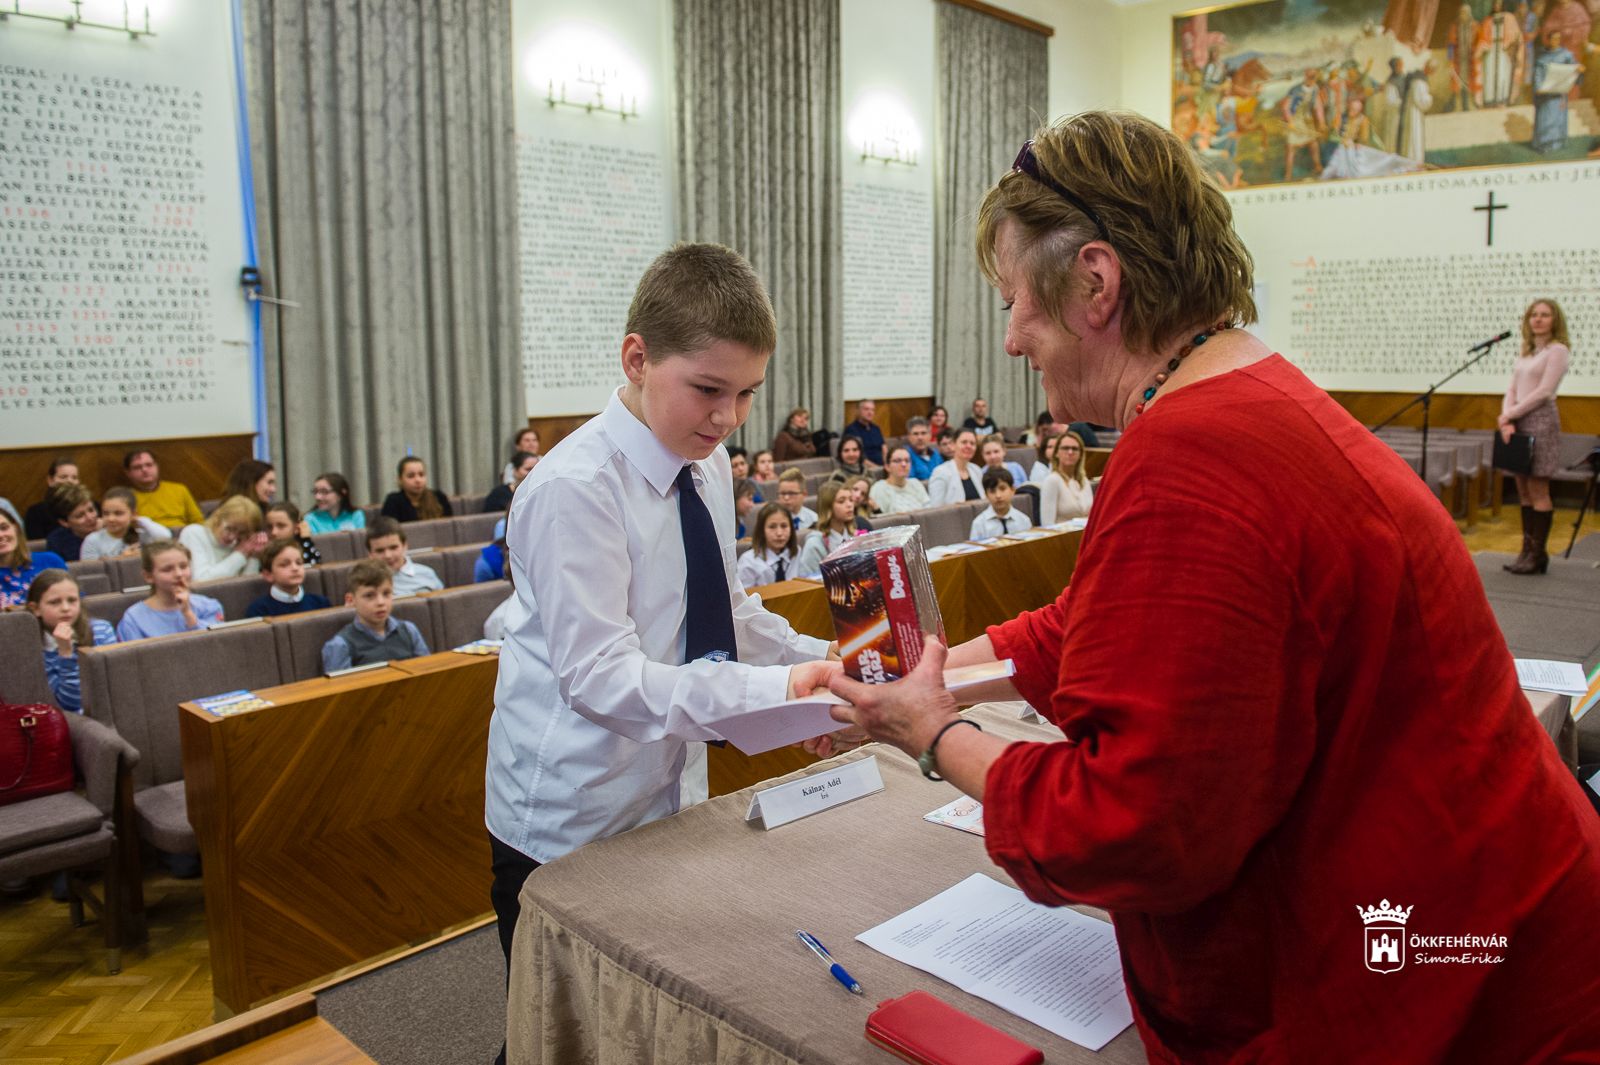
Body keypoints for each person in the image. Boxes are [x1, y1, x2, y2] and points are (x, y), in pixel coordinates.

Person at [814, 111, 1600, 1063]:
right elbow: (1092, 628)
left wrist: (934, 733)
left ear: (1095, 283)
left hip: (1453, 991)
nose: (1014, 337)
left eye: (1014, 297)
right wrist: (921, 673)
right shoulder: (1235, 390)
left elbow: (1130, 827)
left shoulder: (1190, 453)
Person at [484, 243, 836, 1058]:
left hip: (669, 785)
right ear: (637, 359)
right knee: (551, 1031)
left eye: (748, 392)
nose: (727, 418)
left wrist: (825, 667)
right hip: (569, 809)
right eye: (709, 389)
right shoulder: (575, 489)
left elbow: (725, 613)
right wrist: (779, 687)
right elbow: (601, 680)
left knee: (638, 1015)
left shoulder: (705, 466)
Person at [1499, 298, 1572, 574]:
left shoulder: (1558, 351)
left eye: (1545, 315)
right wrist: (1507, 417)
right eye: (1534, 314)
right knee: (1523, 490)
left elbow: (1544, 391)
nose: (1538, 319)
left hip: (1541, 421)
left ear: (1555, 320)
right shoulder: (1527, 353)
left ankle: (1538, 554)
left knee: (1538, 489)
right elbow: (1512, 388)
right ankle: (1526, 550)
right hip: (1517, 421)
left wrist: (1511, 414)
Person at [26, 570, 117, 714]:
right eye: (54, 602)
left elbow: (116, 684)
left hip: (110, 710)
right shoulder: (32, 648)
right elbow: (71, 704)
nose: (66, 608)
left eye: (72, 600)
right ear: (36, 609)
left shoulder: (102, 630)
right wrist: (66, 653)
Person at [321, 559, 430, 672]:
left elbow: (426, 671)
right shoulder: (340, 645)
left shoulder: (409, 630)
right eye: (369, 595)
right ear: (351, 600)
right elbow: (342, 688)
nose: (380, 602)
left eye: (386, 593)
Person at [116, 541, 224, 641]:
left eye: (183, 566)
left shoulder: (210, 607)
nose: (179, 574)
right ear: (148, 576)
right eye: (167, 569)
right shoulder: (133, 618)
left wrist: (187, 613)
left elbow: (215, 646)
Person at [179, 496, 267, 581]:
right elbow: (201, 581)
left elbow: (246, 588)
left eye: (241, 533)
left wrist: (254, 557)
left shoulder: (243, 544)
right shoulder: (194, 533)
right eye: (229, 529)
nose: (232, 537)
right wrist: (240, 554)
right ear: (218, 518)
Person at [245, 539, 332, 618]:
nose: (295, 568)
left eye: (299, 563)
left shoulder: (320, 603)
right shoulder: (259, 611)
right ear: (268, 575)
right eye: (284, 564)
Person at [81, 488, 172, 561]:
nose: (111, 519)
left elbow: (166, 536)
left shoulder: (142, 535)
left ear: (133, 514)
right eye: (106, 513)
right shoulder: (93, 540)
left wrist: (140, 520)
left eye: (118, 513)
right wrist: (122, 559)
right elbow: (89, 570)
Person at [125, 449, 204, 531]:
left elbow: (198, 520)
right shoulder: (126, 498)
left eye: (149, 465)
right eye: (137, 467)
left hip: (181, 534)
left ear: (157, 467)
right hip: (149, 537)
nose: (144, 470)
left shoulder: (179, 489)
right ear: (128, 473)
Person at [0, 510, 67, 608]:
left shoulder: (49, 561)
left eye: (4, 528)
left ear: (16, 528)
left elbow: (73, 603)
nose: (1, 535)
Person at [1531, 28, 1580, 153]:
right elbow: (1537, 74)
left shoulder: (1566, 55)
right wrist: (1538, 88)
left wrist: (1578, 70)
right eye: (1553, 38)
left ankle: (1557, 143)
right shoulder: (1542, 57)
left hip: (1559, 94)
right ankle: (1544, 144)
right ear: (1548, 40)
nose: (1555, 41)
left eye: (1558, 38)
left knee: (1557, 118)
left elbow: (1574, 69)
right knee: (1545, 118)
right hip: (1545, 95)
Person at [365, 517, 442, 595]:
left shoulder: (427, 573)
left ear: (405, 546)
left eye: (393, 548)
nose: (388, 556)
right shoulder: (365, 584)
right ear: (370, 554)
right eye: (380, 551)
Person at [795, 481, 856, 577]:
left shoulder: (854, 536)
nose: (849, 505)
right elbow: (809, 581)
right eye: (841, 501)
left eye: (851, 500)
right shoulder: (814, 544)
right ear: (828, 507)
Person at [735, 502, 800, 588]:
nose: (779, 533)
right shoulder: (748, 561)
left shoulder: (795, 552)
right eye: (772, 527)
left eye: (784, 526)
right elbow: (743, 598)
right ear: (761, 530)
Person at [1039, 430, 1094, 524]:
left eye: (1075, 449)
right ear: (1056, 453)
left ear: (1081, 454)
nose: (1070, 452)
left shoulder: (1084, 480)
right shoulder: (1052, 481)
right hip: (1062, 537)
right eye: (1065, 448)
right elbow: (1047, 524)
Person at [381, 456, 453, 522]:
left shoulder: (439, 497)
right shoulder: (393, 501)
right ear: (400, 479)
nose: (418, 480)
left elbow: (449, 526)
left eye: (421, 475)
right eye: (411, 476)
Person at [24, 456, 80, 539]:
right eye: (63, 477)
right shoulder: (35, 512)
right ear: (50, 480)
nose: (70, 481)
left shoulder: (91, 507)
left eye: (74, 478)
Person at [969, 467, 1033, 539]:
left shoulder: (1023, 520)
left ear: (1013, 490)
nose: (998, 495)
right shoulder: (979, 524)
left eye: (1002, 489)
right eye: (992, 491)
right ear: (986, 495)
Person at [44, 483, 99, 563]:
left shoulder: (109, 530)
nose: (90, 518)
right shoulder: (57, 542)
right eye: (80, 515)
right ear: (64, 522)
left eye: (91, 510)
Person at [927, 428, 982, 505]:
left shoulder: (977, 470)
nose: (968, 446)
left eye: (972, 443)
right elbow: (935, 509)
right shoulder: (940, 472)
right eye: (964, 442)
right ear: (953, 445)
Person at [870, 446, 931, 514]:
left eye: (907, 461)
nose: (904, 464)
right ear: (887, 467)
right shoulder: (879, 488)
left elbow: (929, 511)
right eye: (898, 461)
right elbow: (880, 519)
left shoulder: (915, 483)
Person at [265, 502, 323, 566]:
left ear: (296, 528)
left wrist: (306, 539)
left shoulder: (306, 550)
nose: (274, 532)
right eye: (269, 527)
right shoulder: (265, 553)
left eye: (281, 526)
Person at [840, 399, 885, 465]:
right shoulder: (851, 430)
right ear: (858, 411)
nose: (870, 412)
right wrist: (876, 468)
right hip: (864, 468)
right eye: (866, 409)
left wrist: (887, 465)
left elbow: (884, 449)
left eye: (872, 410)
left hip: (882, 467)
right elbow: (857, 456)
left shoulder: (876, 428)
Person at [904, 416, 942, 480]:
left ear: (930, 435)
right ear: (909, 437)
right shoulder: (904, 456)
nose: (920, 438)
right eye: (915, 434)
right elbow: (911, 483)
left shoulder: (936, 454)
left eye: (923, 433)